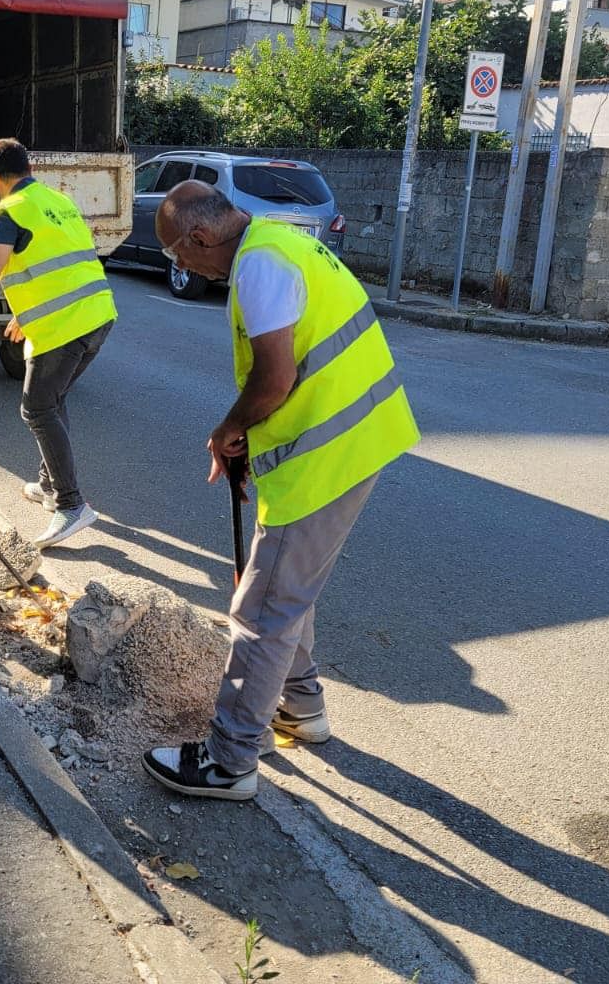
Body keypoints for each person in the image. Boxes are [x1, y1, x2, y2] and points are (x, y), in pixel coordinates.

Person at [141, 182, 420, 800]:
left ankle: (231, 759)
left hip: (327, 454)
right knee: (288, 591)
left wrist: (230, 427)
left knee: (262, 609)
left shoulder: (260, 264)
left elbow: (274, 378)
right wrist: (249, 443)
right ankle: (301, 707)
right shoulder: (280, 242)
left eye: (181, 258)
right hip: (356, 438)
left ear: (201, 236)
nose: (184, 269)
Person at [0, 138, 117, 548]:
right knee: (53, 400)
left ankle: (72, 505)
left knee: (36, 407)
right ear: (29, 166)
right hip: (98, 314)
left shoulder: (9, 211)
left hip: (65, 328)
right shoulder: (57, 201)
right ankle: (48, 485)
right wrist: (23, 312)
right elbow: (60, 262)